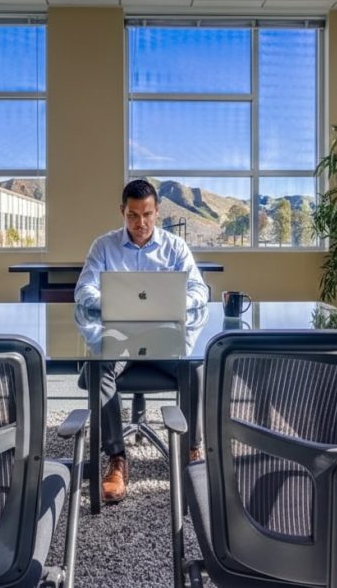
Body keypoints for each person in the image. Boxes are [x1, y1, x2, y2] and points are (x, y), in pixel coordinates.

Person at [74, 179, 208, 503]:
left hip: (165, 338)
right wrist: (118, 303)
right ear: (122, 211)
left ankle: (192, 450)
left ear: (157, 211)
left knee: (196, 367)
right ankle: (117, 457)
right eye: (133, 215)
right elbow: (83, 292)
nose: (141, 223)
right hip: (119, 337)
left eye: (147, 214)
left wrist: (173, 302)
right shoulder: (103, 247)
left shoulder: (175, 248)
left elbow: (201, 292)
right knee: (98, 368)